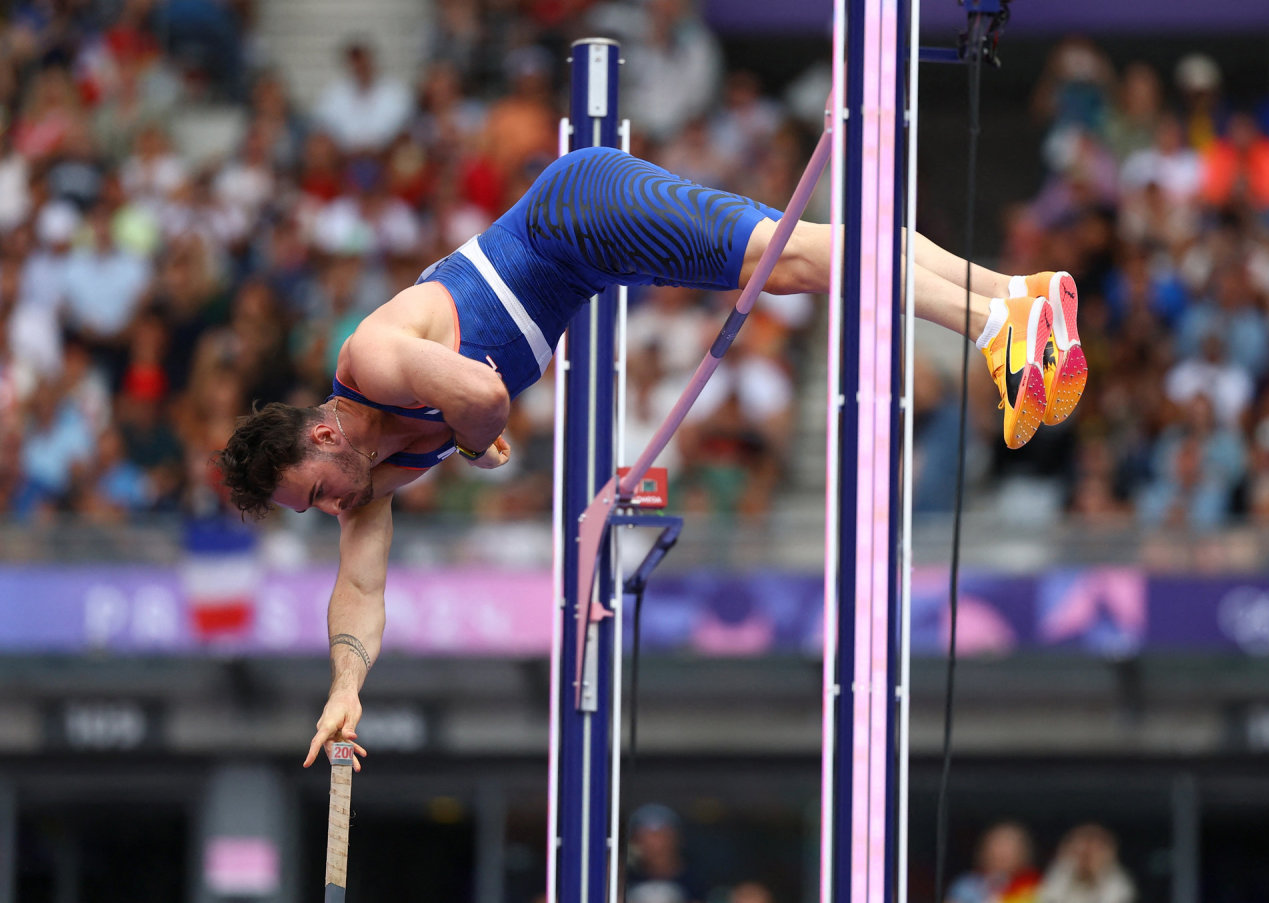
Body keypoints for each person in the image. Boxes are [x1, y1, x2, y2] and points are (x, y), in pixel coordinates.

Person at [213, 146, 1086, 768]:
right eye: (318, 510)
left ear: (323, 434)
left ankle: (997, 323)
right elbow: (360, 589)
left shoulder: (371, 360)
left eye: (319, 492)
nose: (334, 509)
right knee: (797, 258)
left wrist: (479, 446)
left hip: (574, 210)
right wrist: (345, 684)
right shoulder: (371, 478)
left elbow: (482, 400)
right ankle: (1017, 297)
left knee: (785, 262)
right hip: (587, 258)